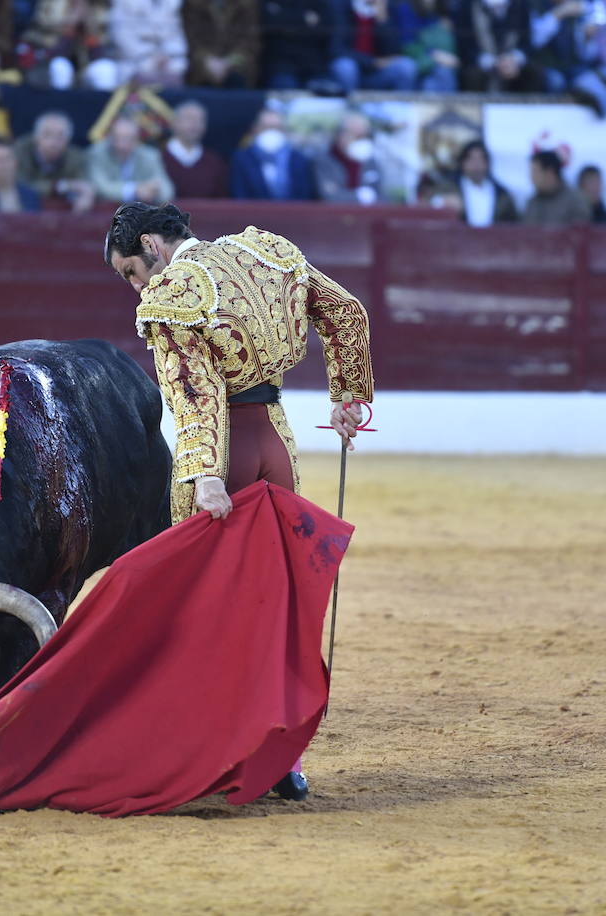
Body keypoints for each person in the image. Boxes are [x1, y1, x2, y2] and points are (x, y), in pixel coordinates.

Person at [103, 201, 373, 801]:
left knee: (202, 603)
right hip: (277, 442)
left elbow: (195, 394)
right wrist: (349, 397)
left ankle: (208, 755)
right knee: (274, 597)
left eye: (131, 271)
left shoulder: (172, 292)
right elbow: (346, 312)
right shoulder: (268, 252)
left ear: (152, 243)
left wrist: (203, 474)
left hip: (223, 451)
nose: (137, 286)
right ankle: (284, 759)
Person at [530, 0, 606, 116]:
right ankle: (594, 97)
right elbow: (532, 41)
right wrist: (557, 15)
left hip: (578, 71)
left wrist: (587, 37)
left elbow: (588, 55)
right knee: (557, 81)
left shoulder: (584, 8)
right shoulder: (534, 4)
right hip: (546, 69)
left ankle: (601, 102)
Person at [229, 106, 318, 201]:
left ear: (284, 130)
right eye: (265, 127)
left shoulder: (299, 159)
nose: (271, 132)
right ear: (255, 129)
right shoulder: (242, 159)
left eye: (276, 128)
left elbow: (305, 196)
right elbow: (239, 196)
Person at [331, 0, 420, 92]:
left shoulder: (389, 7)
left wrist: (383, 20)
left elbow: (394, 52)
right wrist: (372, 62)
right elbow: (337, 49)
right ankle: (350, 102)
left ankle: (401, 105)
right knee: (345, 66)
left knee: (406, 66)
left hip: (379, 73)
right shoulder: (342, 7)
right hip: (354, 68)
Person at [86, 115, 175, 204]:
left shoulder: (150, 156)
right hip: (107, 213)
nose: (121, 145)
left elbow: (167, 191)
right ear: (109, 137)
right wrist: (135, 190)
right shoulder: (97, 153)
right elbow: (100, 188)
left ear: (137, 140)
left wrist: (155, 190)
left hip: (140, 214)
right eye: (116, 138)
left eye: (127, 139)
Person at [14, 111, 93, 209]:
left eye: (60, 136)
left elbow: (82, 185)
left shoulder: (76, 157)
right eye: (47, 135)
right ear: (36, 137)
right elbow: (20, 186)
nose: (53, 142)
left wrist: (85, 195)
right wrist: (60, 186)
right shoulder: (20, 151)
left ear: (68, 139)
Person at [103, 0, 188, 87]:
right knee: (104, 73)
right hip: (133, 59)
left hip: (169, 58)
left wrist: (166, 56)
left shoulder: (175, 2)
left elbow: (178, 37)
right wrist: (151, 57)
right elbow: (121, 36)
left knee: (183, 67)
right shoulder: (123, 2)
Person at [457, 0, 537, 92]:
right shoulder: (467, 5)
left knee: (533, 73)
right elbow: (464, 44)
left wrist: (514, 59)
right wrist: (493, 63)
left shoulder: (520, 4)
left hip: (513, 62)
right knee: (472, 75)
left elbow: (527, 42)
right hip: (480, 62)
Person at [314, 111, 390, 205]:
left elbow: (383, 197)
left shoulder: (371, 162)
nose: (358, 141)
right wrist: (359, 197)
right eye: (354, 135)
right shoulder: (324, 161)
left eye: (362, 136)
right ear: (340, 135)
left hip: (367, 217)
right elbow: (330, 196)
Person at [259, 0, 339, 90]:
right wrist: (305, 19)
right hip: (281, 65)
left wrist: (287, 22)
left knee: (327, 90)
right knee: (285, 87)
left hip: (314, 65)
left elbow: (326, 28)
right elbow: (271, 23)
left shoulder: (319, 3)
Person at [181, 0, 259, 88]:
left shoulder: (246, 4)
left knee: (236, 80)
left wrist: (228, 63)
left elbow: (250, 43)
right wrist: (207, 61)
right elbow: (191, 41)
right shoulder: (192, 4)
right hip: (200, 68)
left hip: (238, 69)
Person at [162, 101, 229, 199]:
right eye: (189, 119)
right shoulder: (157, 158)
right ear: (174, 123)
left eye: (200, 120)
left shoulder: (215, 162)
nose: (194, 124)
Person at [392, 0, 459, 92]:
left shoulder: (442, 13)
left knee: (445, 72)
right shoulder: (405, 9)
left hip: (435, 66)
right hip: (415, 65)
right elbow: (407, 46)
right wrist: (434, 54)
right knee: (428, 83)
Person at [451, 139, 518, 226]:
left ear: (487, 163)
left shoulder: (502, 194)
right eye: (471, 159)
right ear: (462, 163)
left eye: (480, 159)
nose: (476, 164)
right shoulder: (450, 188)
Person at [523, 150, 592, 225]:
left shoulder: (576, 201)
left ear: (550, 173)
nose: (531, 177)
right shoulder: (532, 203)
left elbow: (580, 232)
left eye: (535, 172)